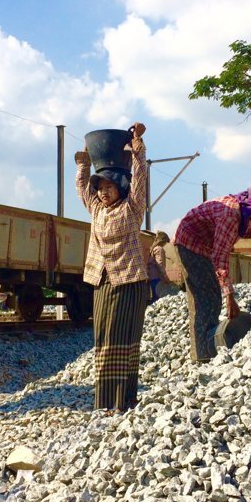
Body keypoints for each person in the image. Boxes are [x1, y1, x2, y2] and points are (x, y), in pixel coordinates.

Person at [75, 122, 149, 413]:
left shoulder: (132, 208)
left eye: (108, 187)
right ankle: (105, 401)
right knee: (103, 337)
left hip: (128, 282)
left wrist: (137, 148)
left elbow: (141, 178)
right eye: (100, 188)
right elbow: (82, 186)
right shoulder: (96, 209)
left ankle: (122, 401)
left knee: (122, 338)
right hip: (101, 281)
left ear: (120, 186)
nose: (103, 193)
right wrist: (84, 159)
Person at [173, 180, 251, 362]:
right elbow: (220, 258)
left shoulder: (239, 211)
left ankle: (206, 348)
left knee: (211, 297)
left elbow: (239, 231)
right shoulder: (230, 214)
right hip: (189, 244)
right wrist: (229, 296)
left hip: (202, 245)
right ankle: (202, 355)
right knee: (205, 299)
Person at [147, 231, 171, 303]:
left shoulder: (152, 249)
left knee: (153, 300)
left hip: (151, 278)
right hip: (157, 279)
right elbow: (160, 263)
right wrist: (165, 276)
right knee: (158, 300)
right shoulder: (159, 249)